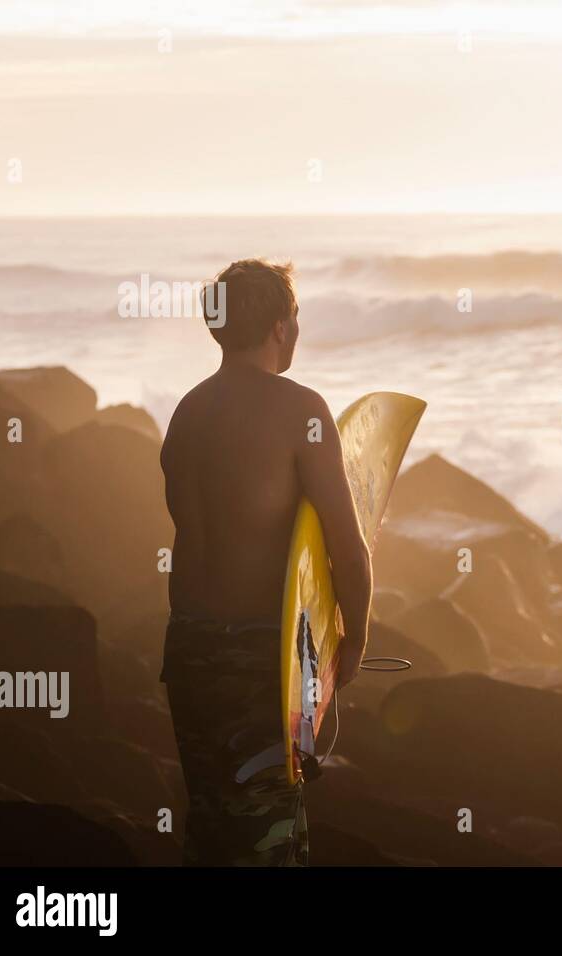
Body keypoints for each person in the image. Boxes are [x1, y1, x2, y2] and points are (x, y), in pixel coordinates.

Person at [158, 259, 372, 865]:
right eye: (296, 317)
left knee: (212, 825)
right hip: (262, 659)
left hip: (190, 650)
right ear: (281, 328)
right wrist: (353, 639)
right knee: (270, 829)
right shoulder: (299, 410)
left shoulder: (186, 414)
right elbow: (347, 548)